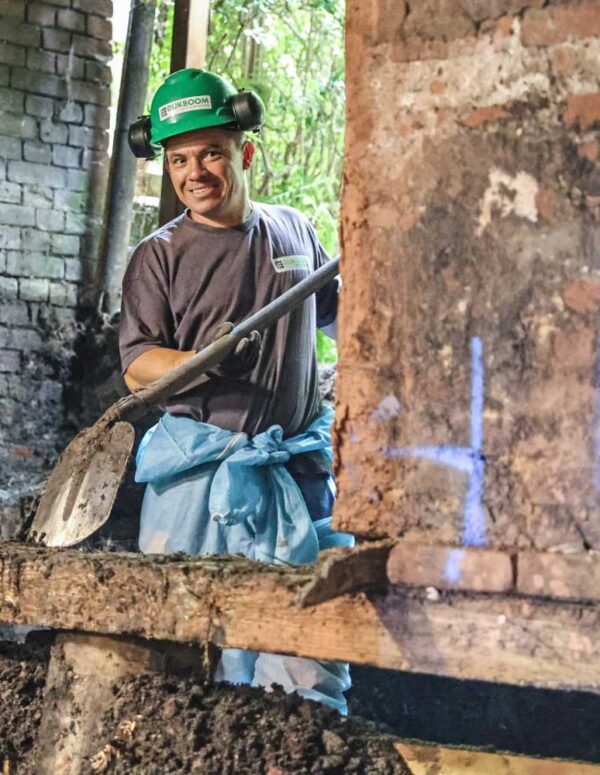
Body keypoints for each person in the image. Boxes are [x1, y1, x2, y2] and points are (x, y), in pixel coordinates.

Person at [120, 68, 353, 713]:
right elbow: (137, 364)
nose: (197, 172)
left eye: (212, 153)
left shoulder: (295, 233)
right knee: (186, 649)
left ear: (244, 152)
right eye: (180, 159)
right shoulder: (159, 256)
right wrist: (203, 360)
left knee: (306, 645)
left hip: (294, 469)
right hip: (197, 478)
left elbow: (345, 318)